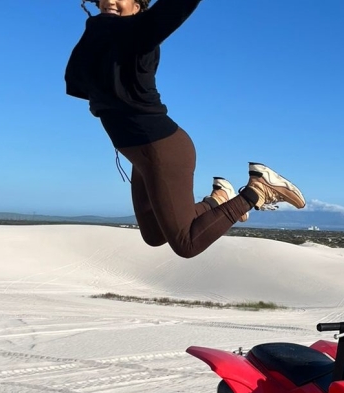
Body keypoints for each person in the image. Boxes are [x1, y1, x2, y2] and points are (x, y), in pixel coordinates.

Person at [64, 0, 306, 259]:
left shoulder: (138, 33)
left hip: (161, 150)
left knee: (186, 243)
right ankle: (217, 200)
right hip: (140, 157)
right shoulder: (98, 37)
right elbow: (76, 82)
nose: (109, 1)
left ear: (139, 3)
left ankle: (258, 189)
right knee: (154, 235)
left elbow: (175, 8)